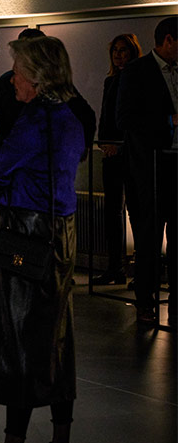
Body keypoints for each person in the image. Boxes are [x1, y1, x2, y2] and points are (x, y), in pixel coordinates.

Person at [0, 35, 86, 443]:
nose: (11, 78)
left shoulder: (35, 122)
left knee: (19, 345)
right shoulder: (71, 117)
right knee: (57, 340)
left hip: (25, 235)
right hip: (61, 235)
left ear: (36, 78)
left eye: (17, 72)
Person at [116, 16, 177, 324]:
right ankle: (145, 302)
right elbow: (125, 119)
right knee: (149, 238)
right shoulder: (137, 72)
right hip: (150, 169)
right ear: (168, 40)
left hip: (175, 168)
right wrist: (168, 121)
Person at [94, 33, 143, 285]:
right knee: (111, 212)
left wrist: (118, 145)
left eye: (123, 50)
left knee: (136, 210)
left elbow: (132, 118)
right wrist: (104, 142)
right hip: (111, 153)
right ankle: (115, 266)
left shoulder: (137, 79)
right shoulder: (110, 80)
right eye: (115, 51)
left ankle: (141, 270)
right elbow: (105, 115)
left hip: (130, 153)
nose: (119, 55)